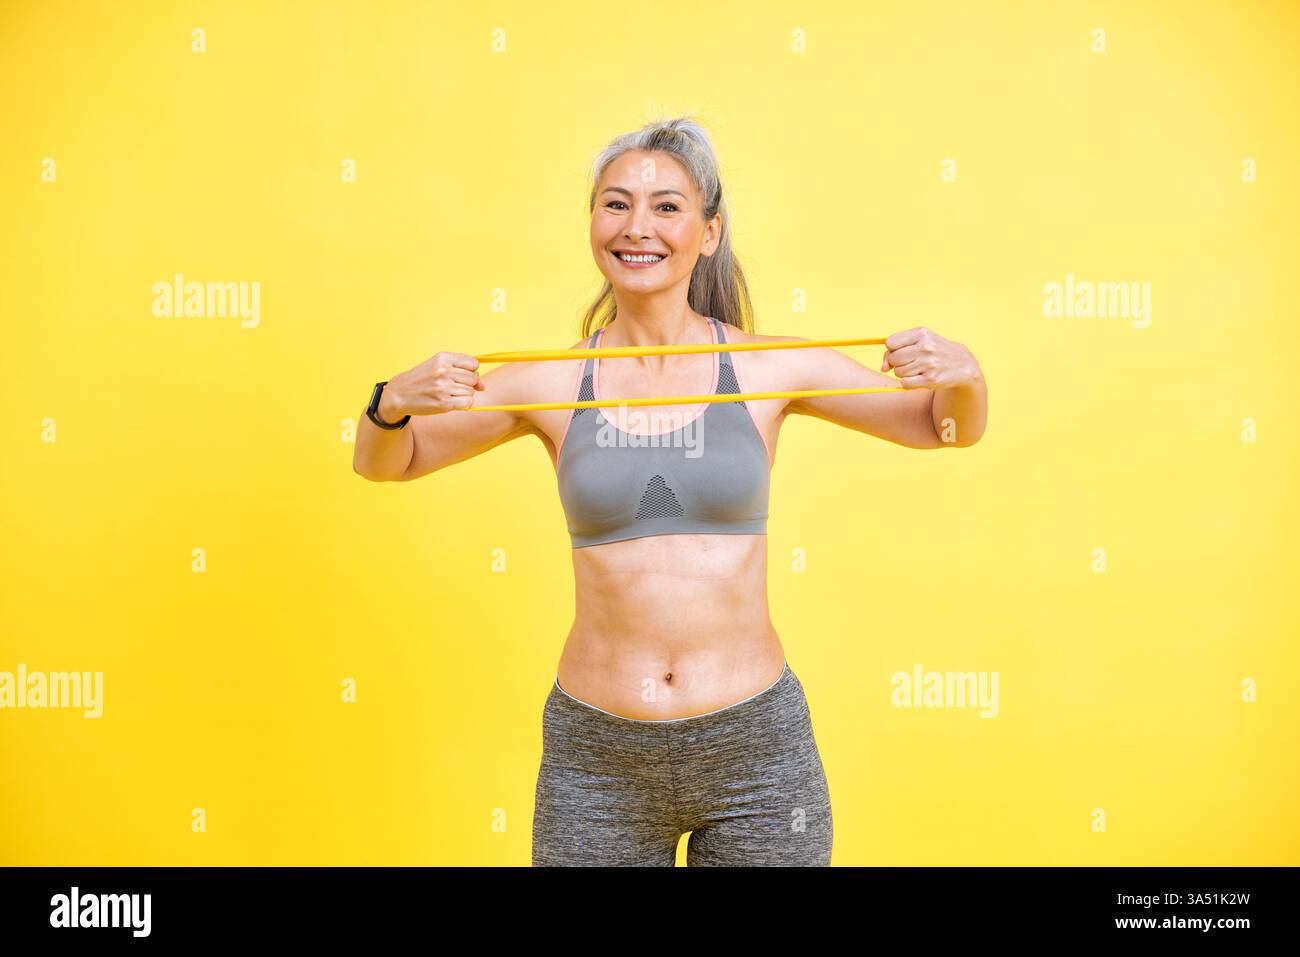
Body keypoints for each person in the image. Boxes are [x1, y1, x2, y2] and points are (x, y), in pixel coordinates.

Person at [353, 117, 988, 866]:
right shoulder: (551, 382)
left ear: (708, 232)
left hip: (755, 749)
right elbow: (387, 462)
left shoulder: (767, 370)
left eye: (666, 206)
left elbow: (939, 427)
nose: (637, 226)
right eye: (616, 203)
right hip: (597, 757)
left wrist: (964, 376)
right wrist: (389, 401)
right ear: (593, 223)